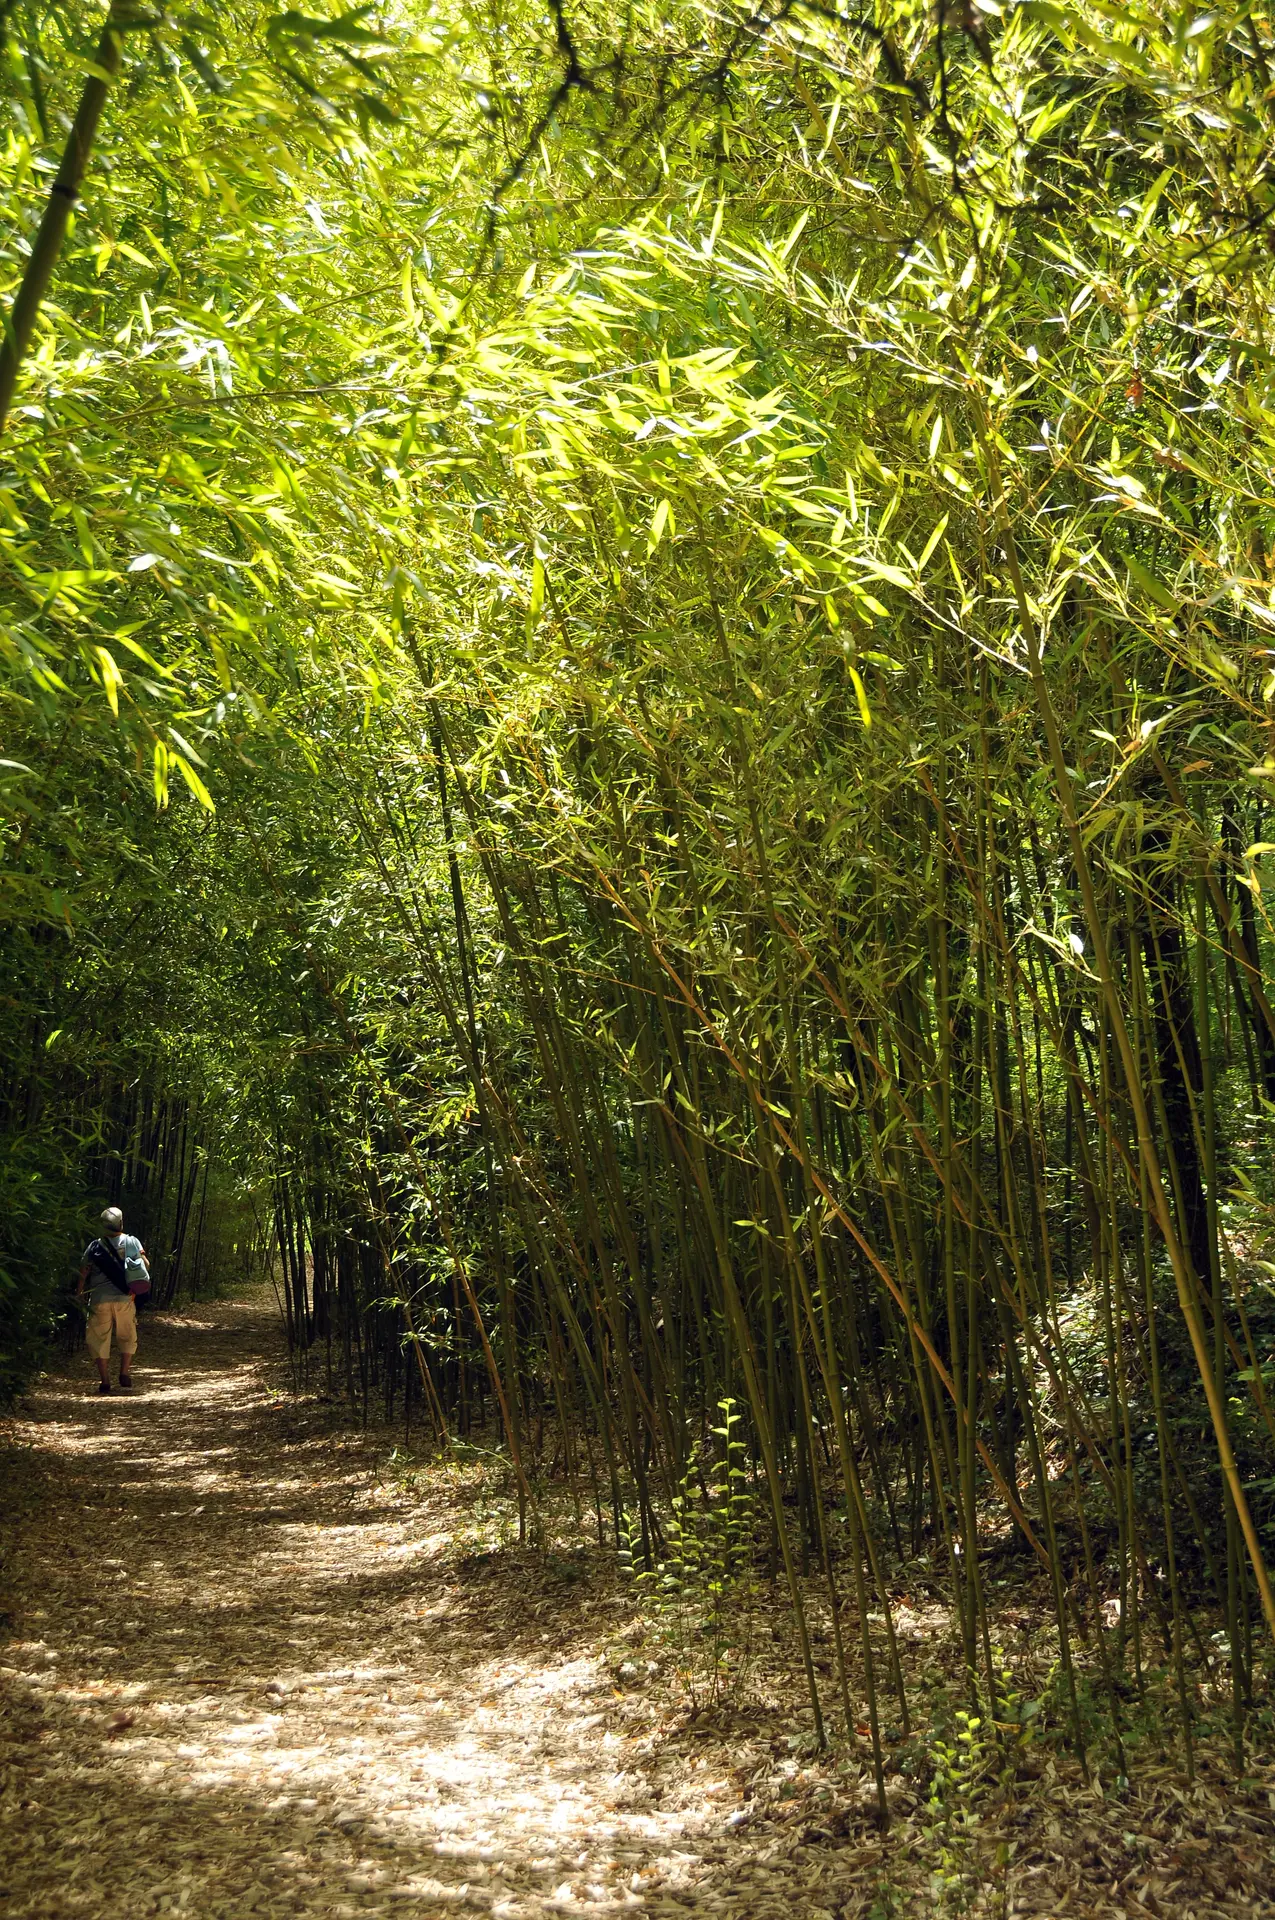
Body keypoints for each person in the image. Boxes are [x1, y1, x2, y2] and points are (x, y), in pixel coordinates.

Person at [77, 1207, 148, 1394]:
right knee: (127, 1335)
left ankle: (105, 1380)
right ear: (121, 1223)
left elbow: (83, 1270)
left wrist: (79, 1292)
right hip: (125, 1297)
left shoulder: (94, 1246)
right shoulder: (131, 1241)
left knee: (99, 1338)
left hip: (99, 1298)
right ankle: (124, 1372)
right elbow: (146, 1265)